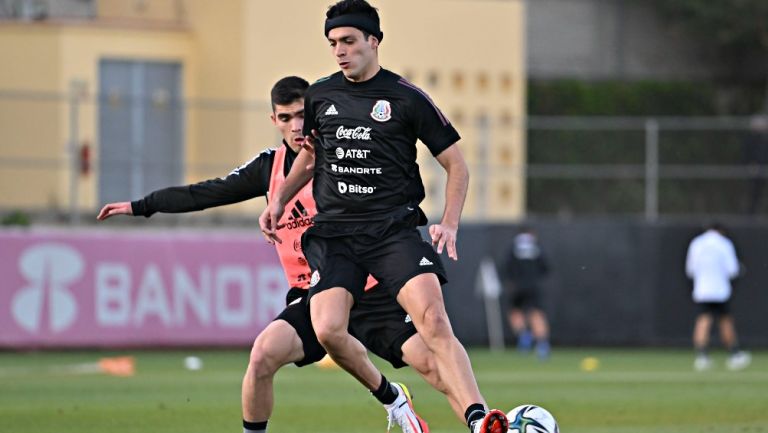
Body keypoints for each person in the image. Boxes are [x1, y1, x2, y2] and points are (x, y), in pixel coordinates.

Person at [97, 76, 468, 433]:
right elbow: (206, 193)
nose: (295, 126)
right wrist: (140, 205)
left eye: (302, 114)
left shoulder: (340, 156)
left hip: (369, 290)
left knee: (434, 368)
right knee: (262, 356)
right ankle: (392, 398)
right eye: (285, 117)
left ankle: (484, 420)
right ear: (274, 120)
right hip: (314, 293)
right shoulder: (269, 168)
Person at [259, 2, 509, 432]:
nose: (339, 51)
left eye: (349, 41)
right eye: (333, 43)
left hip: (393, 232)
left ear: (373, 41)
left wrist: (449, 222)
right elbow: (309, 157)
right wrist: (279, 199)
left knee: (433, 320)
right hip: (337, 236)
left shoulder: (407, 99)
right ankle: (391, 396)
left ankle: (478, 418)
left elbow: (457, 165)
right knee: (329, 329)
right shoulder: (320, 94)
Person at [685, 222, 751, 371]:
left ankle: (702, 357)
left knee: (703, 319)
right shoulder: (724, 244)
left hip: (702, 289)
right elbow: (732, 269)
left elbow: (690, 269)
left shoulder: (697, 243)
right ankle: (734, 354)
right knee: (725, 320)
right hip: (720, 290)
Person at [502, 227, 551, 360]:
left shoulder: (514, 246)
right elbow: (545, 268)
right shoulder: (536, 246)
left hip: (517, 286)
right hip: (533, 286)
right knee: (536, 313)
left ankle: (524, 335)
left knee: (514, 312)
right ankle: (542, 345)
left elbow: (506, 267)